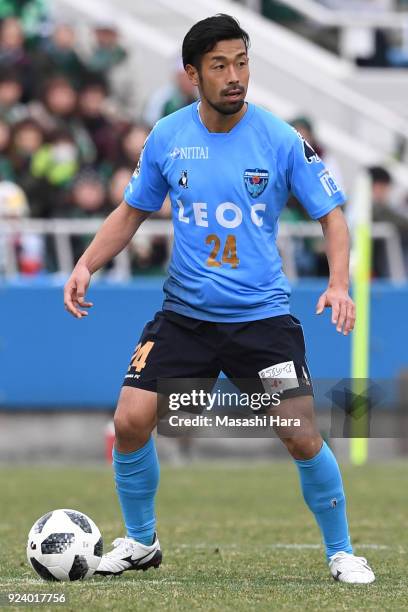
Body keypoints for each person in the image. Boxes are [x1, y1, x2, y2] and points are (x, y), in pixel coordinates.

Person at [64, 14, 374, 584]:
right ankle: (140, 541)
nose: (235, 76)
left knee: (301, 434)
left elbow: (333, 216)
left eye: (242, 61)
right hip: (184, 318)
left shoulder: (280, 139)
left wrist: (337, 284)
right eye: (219, 65)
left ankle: (341, 551)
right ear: (192, 75)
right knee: (130, 420)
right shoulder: (168, 136)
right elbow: (132, 211)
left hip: (262, 323)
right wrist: (86, 263)